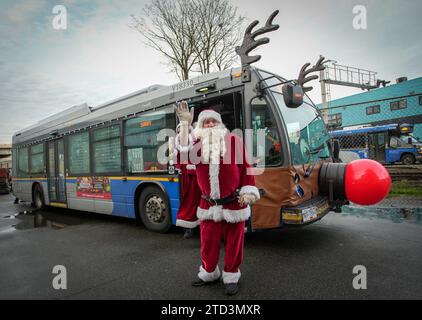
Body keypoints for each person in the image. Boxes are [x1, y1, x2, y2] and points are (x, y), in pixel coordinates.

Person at [176, 102, 260, 295]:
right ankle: (209, 272)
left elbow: (246, 167)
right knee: (208, 244)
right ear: (201, 126)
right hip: (208, 205)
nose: (210, 125)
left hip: (233, 204)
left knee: (234, 245)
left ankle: (231, 275)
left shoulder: (233, 140)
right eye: (206, 122)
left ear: (220, 124)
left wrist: (248, 191)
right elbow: (182, 152)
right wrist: (185, 126)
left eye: (214, 121)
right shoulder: (196, 144)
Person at [169, 121, 201, 239]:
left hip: (197, 176)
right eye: (179, 130)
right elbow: (173, 160)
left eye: (183, 130)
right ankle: (189, 228)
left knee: (200, 201)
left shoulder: (195, 140)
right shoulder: (176, 144)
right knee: (187, 202)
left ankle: (202, 226)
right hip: (184, 177)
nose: (180, 132)